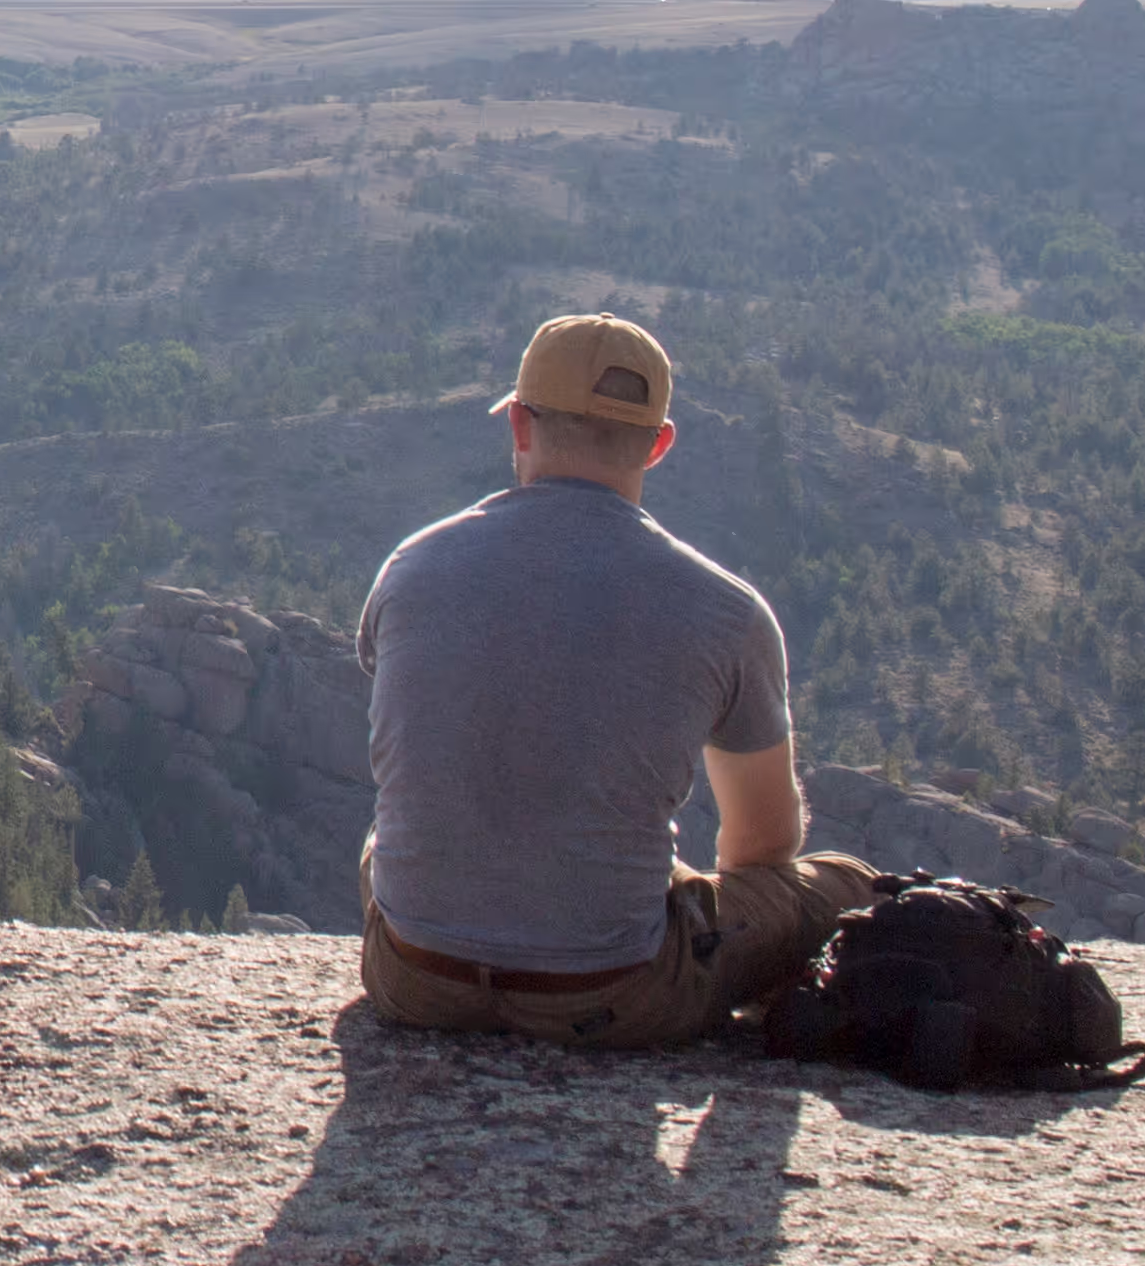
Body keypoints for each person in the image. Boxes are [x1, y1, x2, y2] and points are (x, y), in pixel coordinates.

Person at [353, 312, 877, 1048]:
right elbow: (761, 845)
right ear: (659, 446)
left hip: (412, 981)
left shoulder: (412, 566)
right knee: (846, 885)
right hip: (614, 999)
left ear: (520, 426)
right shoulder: (727, 611)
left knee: (389, 834)